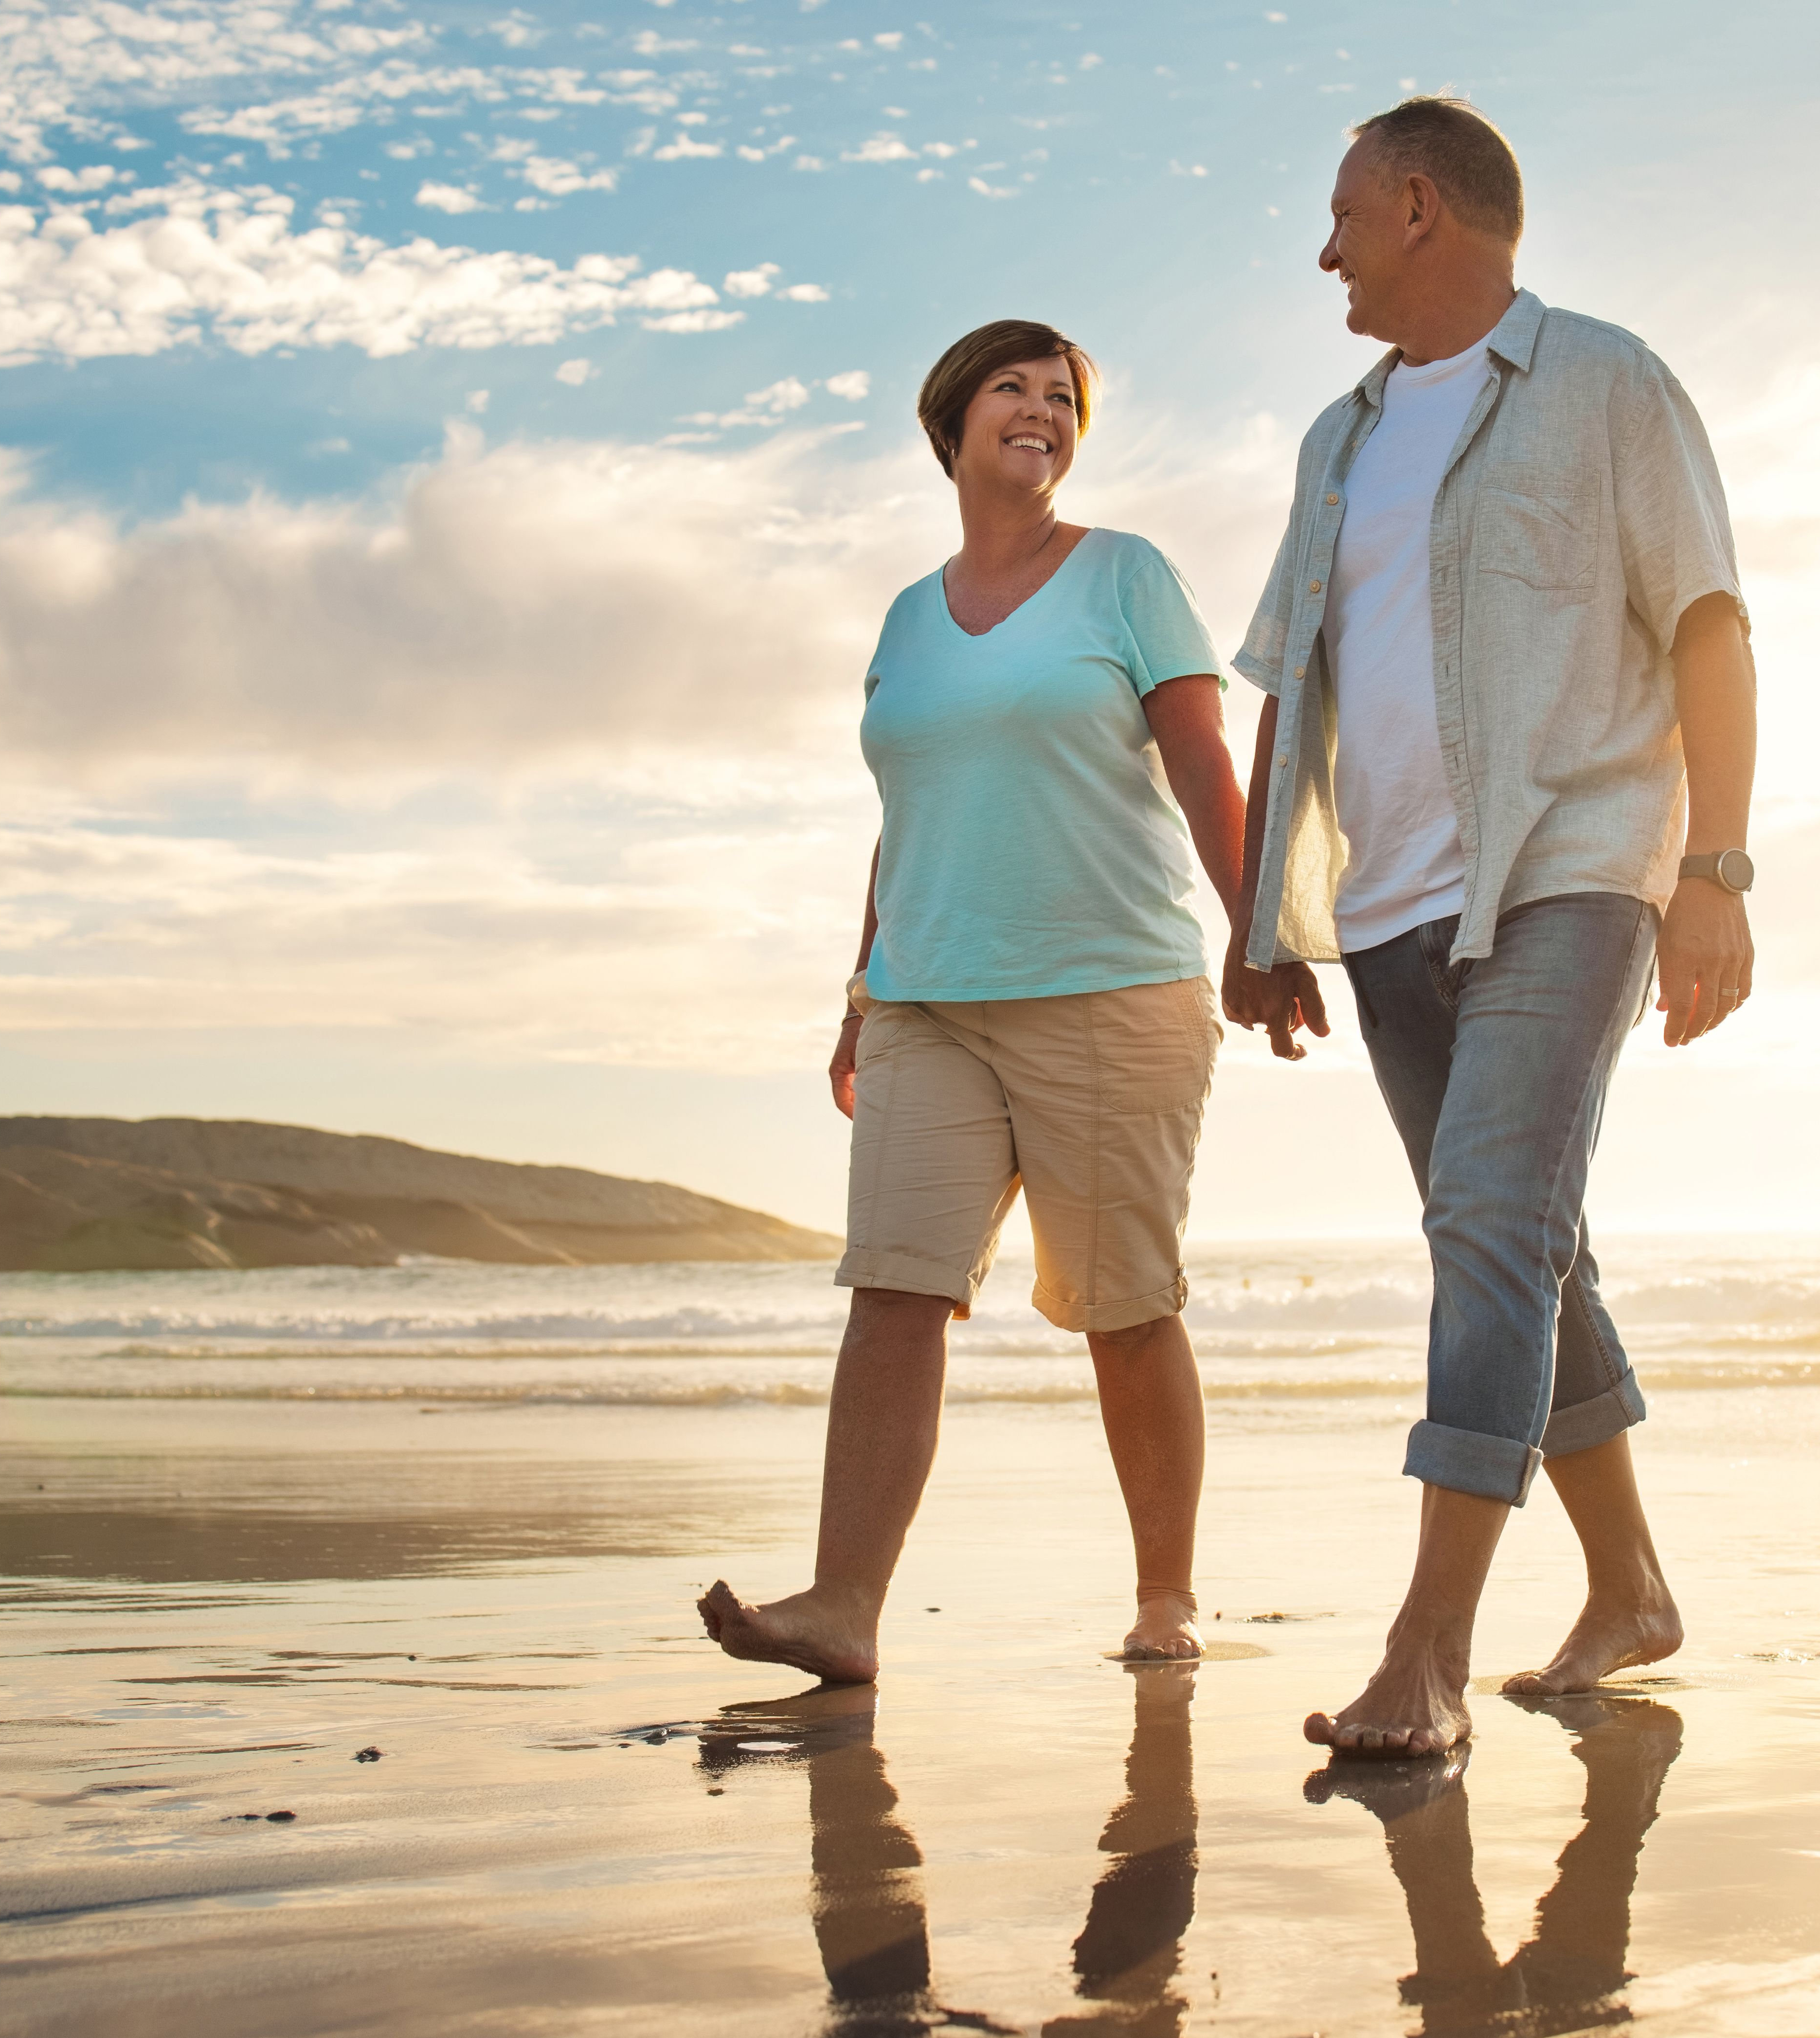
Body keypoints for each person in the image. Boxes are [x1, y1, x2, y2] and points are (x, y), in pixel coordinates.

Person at [1224, 100, 1761, 1757]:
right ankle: (1632, 1589)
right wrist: (1262, 912)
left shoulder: (1606, 382)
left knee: (1487, 1224)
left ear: (1413, 206)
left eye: (1339, 218)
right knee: (1522, 1237)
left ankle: (1427, 1655)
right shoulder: (1340, 436)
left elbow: (1710, 623)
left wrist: (1715, 872)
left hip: (1570, 870)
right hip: (1385, 907)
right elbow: (1288, 683)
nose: (1323, 253)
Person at [700, 320, 1246, 1680]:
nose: (1043, 410)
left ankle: (1167, 1594)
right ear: (952, 421)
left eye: (1064, 398)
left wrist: (1262, 934)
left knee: (1124, 1307)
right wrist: (859, 986)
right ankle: (843, 1607)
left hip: (1111, 986)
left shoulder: (1126, 577)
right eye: (1014, 387)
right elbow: (908, 810)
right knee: (892, 1291)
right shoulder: (906, 617)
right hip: (924, 1003)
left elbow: (1201, 758)